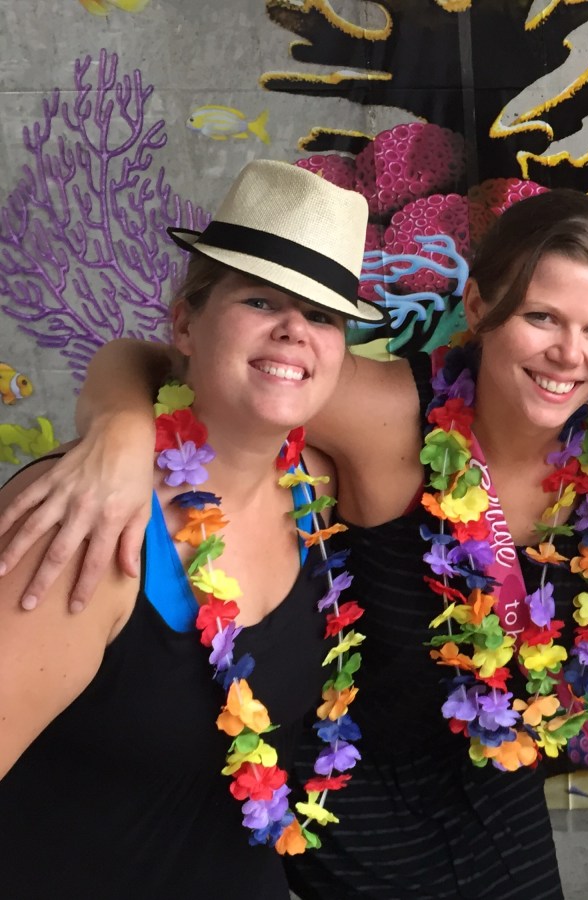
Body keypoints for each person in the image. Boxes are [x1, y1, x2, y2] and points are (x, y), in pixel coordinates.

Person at [0, 188, 588, 898]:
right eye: (541, 316)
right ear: (477, 307)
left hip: (502, 780)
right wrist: (118, 428)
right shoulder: (377, 413)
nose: (569, 354)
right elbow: (187, 366)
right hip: (356, 795)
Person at [0, 159, 381, 897]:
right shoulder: (87, 522)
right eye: (261, 300)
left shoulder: (317, 491)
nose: (294, 331)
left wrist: (118, 410)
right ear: (185, 323)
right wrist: (117, 426)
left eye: (322, 316)